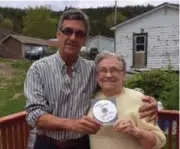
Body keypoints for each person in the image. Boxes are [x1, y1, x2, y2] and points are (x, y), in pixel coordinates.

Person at [24, 9, 158, 149]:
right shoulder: (38, 69)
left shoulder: (92, 69)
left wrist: (144, 100)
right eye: (68, 31)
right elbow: (34, 114)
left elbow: (116, 87)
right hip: (47, 143)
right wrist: (72, 124)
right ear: (58, 34)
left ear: (85, 39)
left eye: (79, 33)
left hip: (81, 144)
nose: (73, 37)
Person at [88, 51, 166, 149]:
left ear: (123, 74)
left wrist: (135, 131)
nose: (108, 75)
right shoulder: (89, 97)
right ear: (97, 74)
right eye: (103, 70)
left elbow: (158, 141)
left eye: (114, 70)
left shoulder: (139, 99)